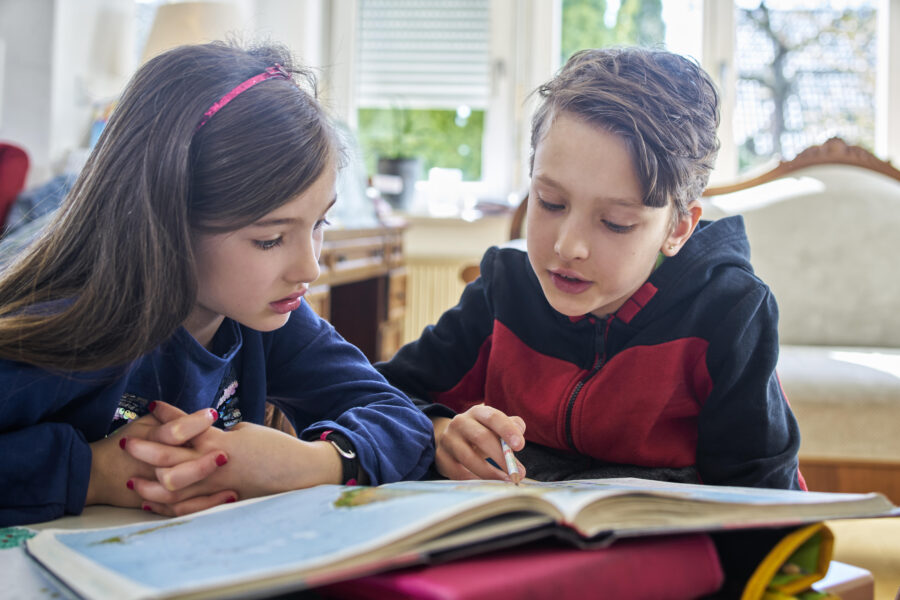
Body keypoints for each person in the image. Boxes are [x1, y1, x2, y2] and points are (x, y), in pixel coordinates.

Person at [0, 41, 434, 527]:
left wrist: (309, 463)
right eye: (270, 239)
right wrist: (91, 473)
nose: (309, 268)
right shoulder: (68, 325)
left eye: (319, 224)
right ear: (165, 222)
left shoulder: (271, 320)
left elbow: (401, 418)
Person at [376, 46, 805, 490]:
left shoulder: (729, 313)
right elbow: (377, 395)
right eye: (550, 202)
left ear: (677, 229)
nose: (568, 246)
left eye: (615, 223)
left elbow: (760, 498)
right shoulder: (505, 290)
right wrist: (440, 430)